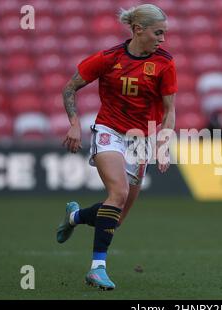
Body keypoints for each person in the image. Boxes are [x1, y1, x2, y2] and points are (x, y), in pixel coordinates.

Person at [56, 3, 177, 291]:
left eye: (164, 33)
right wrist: (74, 123)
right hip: (109, 130)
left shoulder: (165, 63)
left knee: (116, 217)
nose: (162, 39)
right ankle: (97, 269)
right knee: (118, 193)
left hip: (142, 138)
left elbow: (170, 110)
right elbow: (69, 88)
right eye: (158, 33)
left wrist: (163, 138)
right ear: (138, 30)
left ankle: (74, 216)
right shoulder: (109, 58)